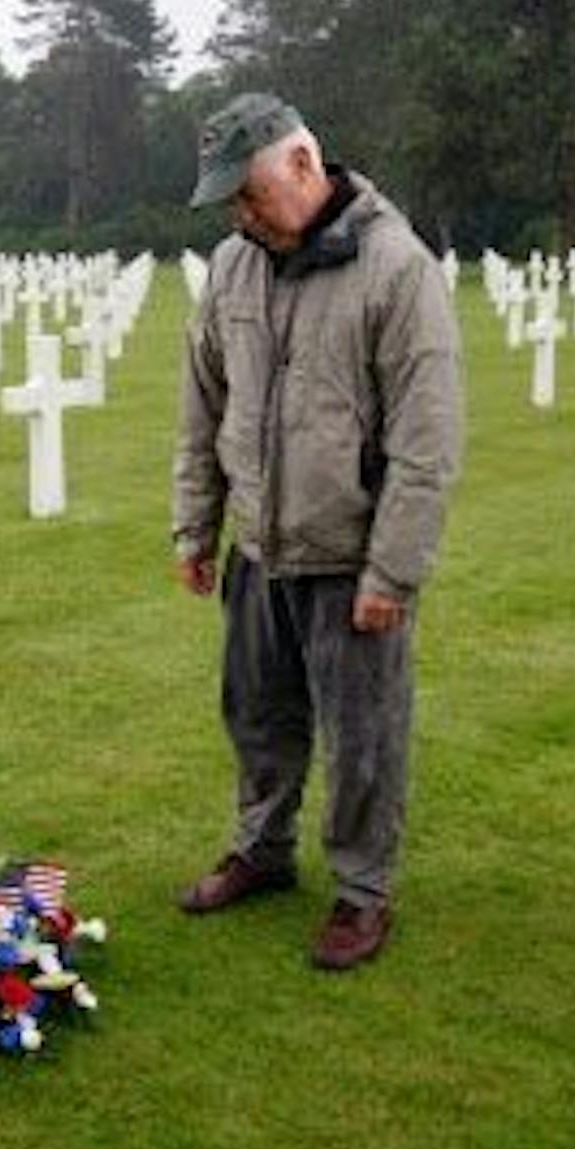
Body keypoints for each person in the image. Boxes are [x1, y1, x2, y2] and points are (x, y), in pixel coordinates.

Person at [171, 92, 464, 970]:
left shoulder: (396, 270)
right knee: (256, 716)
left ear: (303, 164)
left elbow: (428, 439)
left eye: (249, 194)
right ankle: (263, 850)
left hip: (350, 557)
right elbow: (204, 403)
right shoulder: (233, 267)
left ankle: (362, 890)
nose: (239, 214)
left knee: (364, 734)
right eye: (228, 201)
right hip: (260, 548)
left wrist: (393, 574)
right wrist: (197, 525)